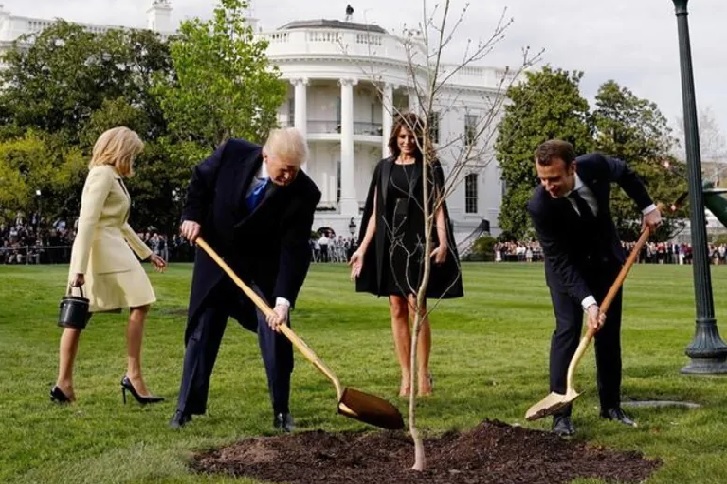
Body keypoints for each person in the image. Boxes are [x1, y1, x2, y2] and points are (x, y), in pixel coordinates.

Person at [170, 127, 321, 432]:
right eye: (285, 169)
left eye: (295, 170)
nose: (289, 176)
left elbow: (294, 249)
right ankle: (185, 408)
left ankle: (281, 411)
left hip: (262, 269)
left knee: (276, 334)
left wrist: (282, 302)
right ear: (267, 156)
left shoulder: (305, 192)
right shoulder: (232, 152)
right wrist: (192, 216)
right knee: (202, 330)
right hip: (216, 257)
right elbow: (200, 179)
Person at [527, 139, 662, 437]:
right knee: (567, 331)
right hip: (567, 273)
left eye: (554, 178)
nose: (548, 185)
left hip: (605, 262)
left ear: (572, 168)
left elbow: (625, 172)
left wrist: (648, 207)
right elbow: (560, 262)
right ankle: (561, 414)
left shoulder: (596, 165)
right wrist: (588, 303)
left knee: (609, 334)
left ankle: (611, 407)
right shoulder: (540, 206)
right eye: (542, 179)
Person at [349, 113, 463, 398]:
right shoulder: (384, 168)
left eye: (412, 137)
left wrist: (443, 240)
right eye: (402, 137)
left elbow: (438, 206)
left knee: (417, 307)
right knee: (397, 307)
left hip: (418, 241)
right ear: (394, 139)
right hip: (390, 242)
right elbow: (375, 212)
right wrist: (362, 249)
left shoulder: (430, 168)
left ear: (420, 138)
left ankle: (423, 375)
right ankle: (406, 377)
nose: (407, 142)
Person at [52, 126, 167, 405]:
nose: (133, 160)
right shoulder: (102, 175)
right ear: (120, 150)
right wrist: (78, 269)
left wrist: (147, 253)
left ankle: (64, 385)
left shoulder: (112, 176)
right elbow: (88, 222)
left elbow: (120, 222)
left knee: (81, 316)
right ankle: (132, 376)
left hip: (111, 250)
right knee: (86, 312)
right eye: (132, 154)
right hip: (103, 252)